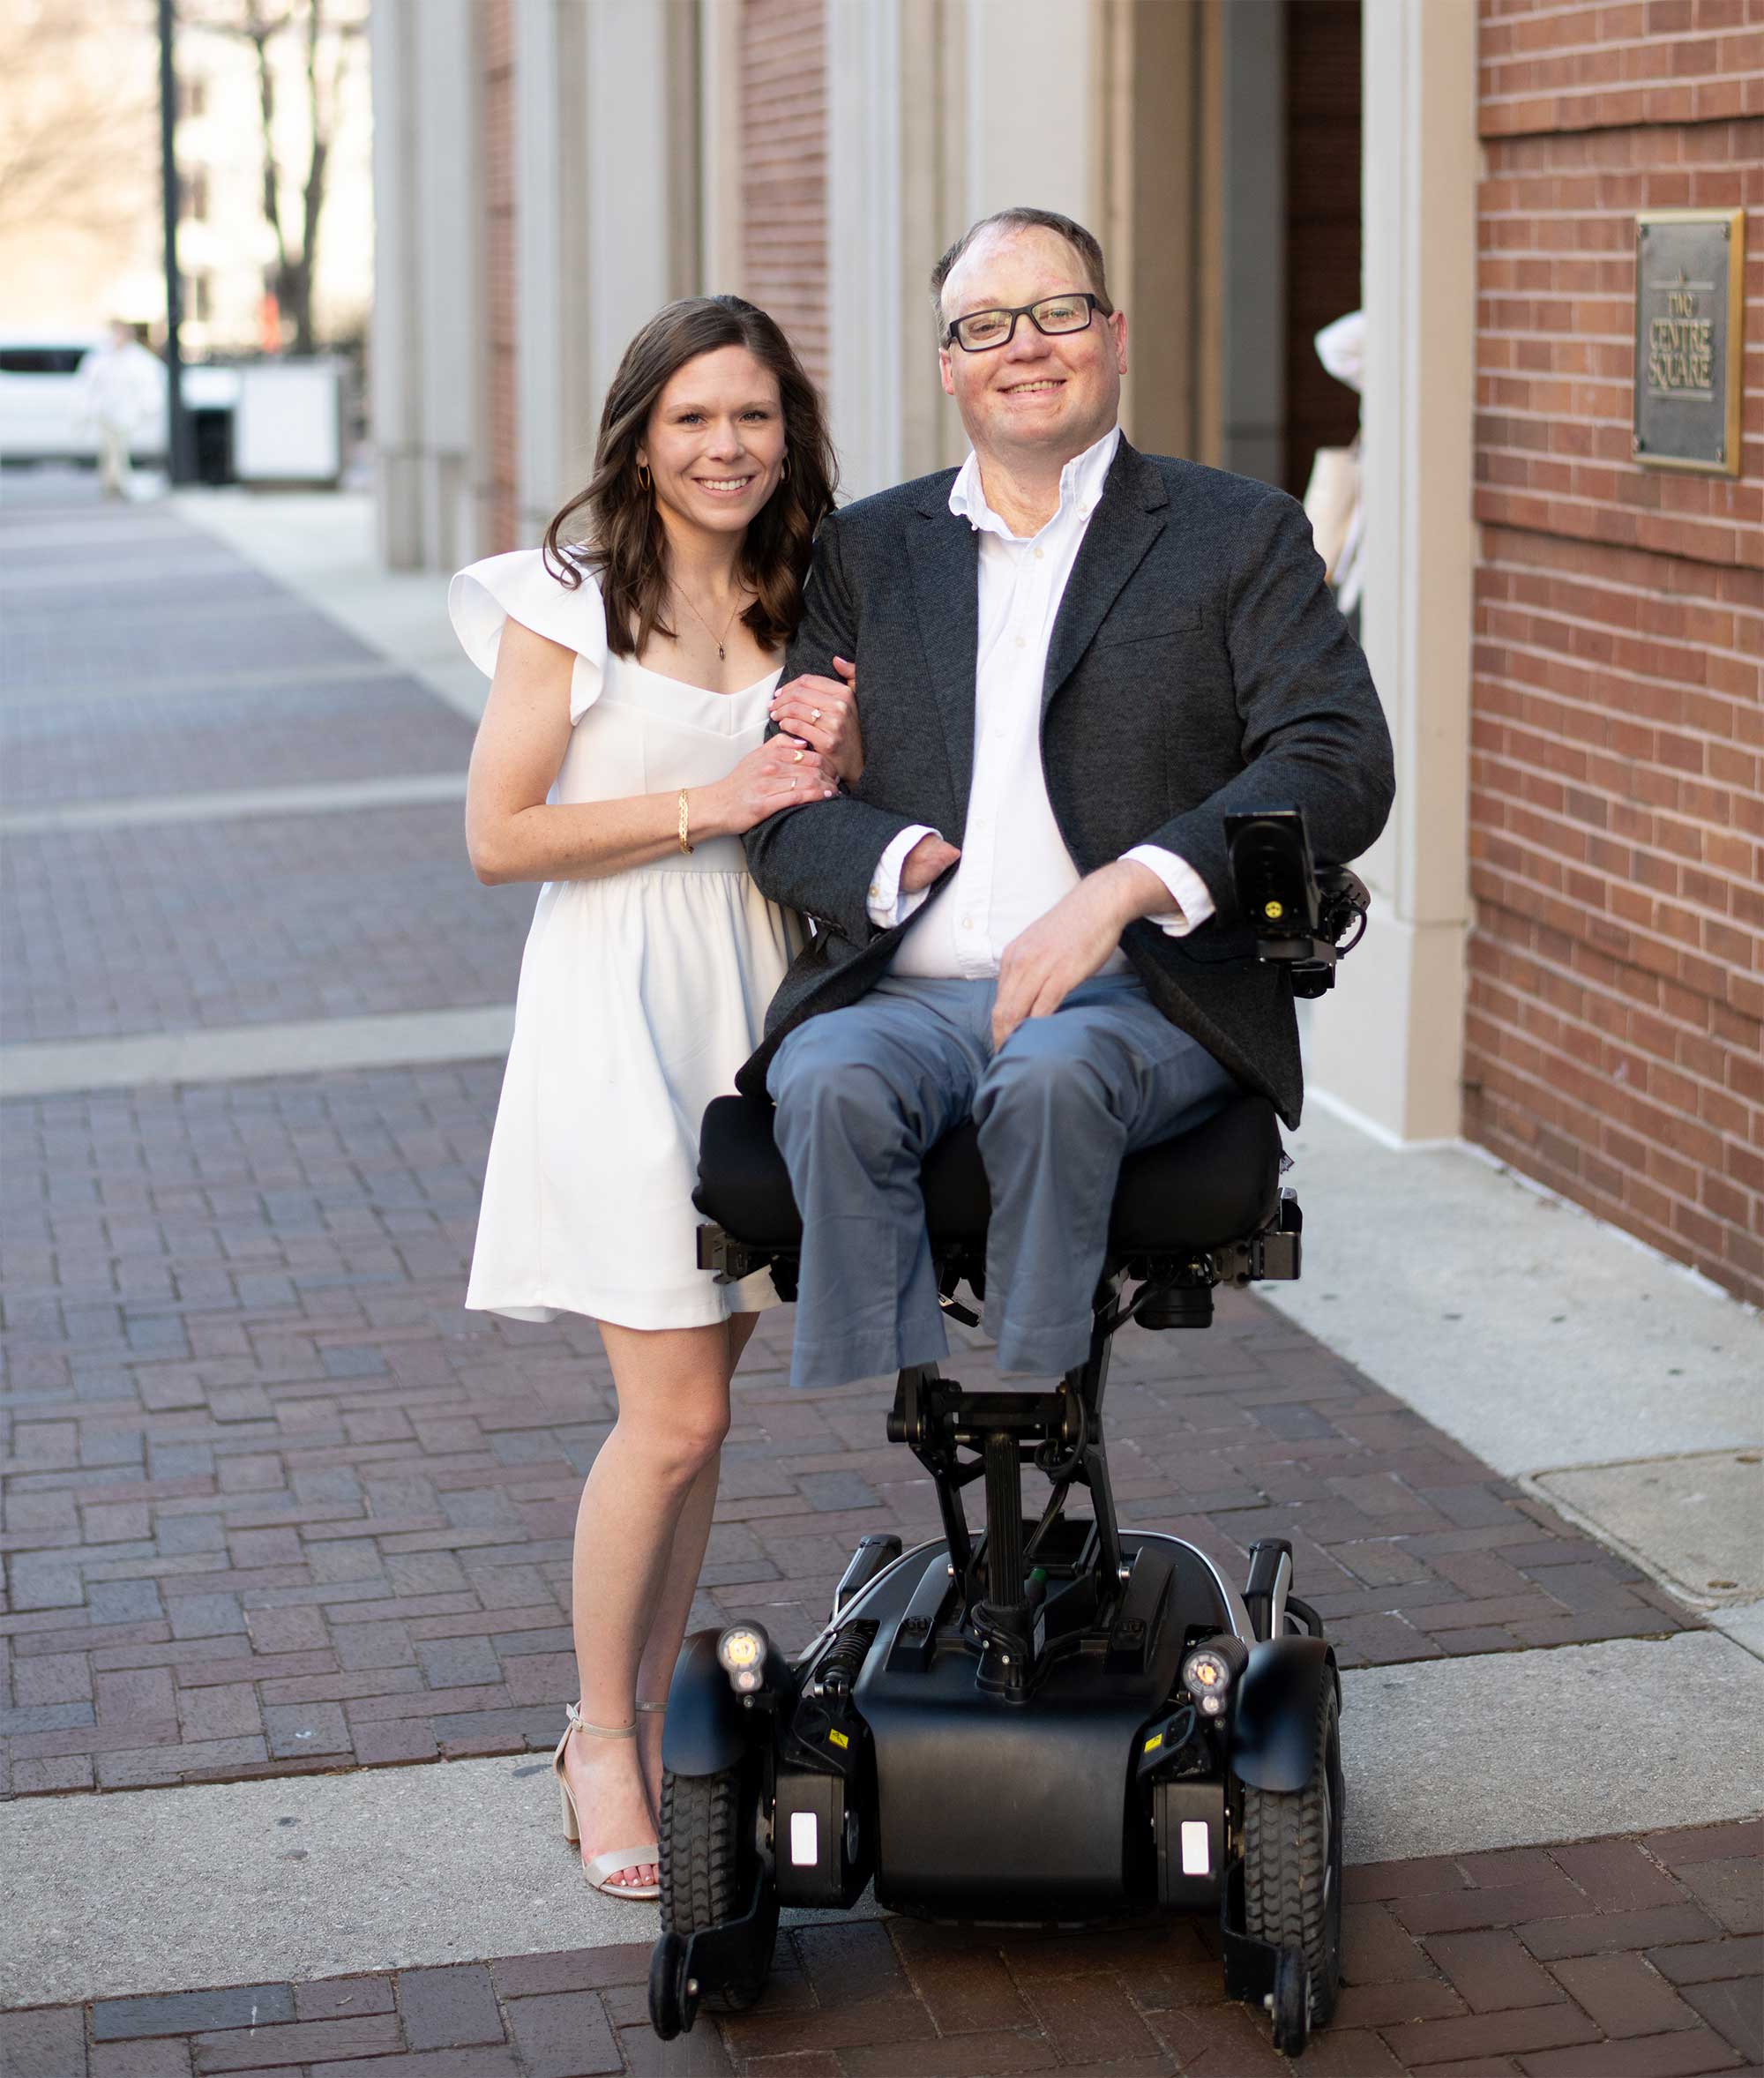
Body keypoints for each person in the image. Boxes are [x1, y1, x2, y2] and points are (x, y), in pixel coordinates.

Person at [739, 207, 1394, 1394]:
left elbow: (1339, 757)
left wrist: (1123, 889)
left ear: (1115, 335)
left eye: (1058, 312)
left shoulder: (1234, 534)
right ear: (949, 367)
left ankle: (1028, 1393)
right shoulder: (870, 551)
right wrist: (891, 860)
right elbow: (784, 803)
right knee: (826, 1076)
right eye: (984, 325)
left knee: (1052, 1078)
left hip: (1145, 995)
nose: (1024, 346)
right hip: (915, 992)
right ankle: (926, 1411)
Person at [450, 295, 851, 1899]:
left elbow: (821, 794)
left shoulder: (804, 589)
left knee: (702, 1415)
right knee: (671, 1413)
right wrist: (716, 797)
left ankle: (645, 1717)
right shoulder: (568, 599)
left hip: (765, 998)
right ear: (640, 431)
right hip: (620, 1002)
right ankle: (596, 1741)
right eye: (693, 418)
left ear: (786, 429)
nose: (725, 446)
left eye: (750, 417)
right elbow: (499, 836)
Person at [73, 321, 164, 499]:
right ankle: (112, 483)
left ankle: (117, 483)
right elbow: (89, 384)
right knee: (110, 449)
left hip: (127, 412)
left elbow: (147, 384)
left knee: (119, 449)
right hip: (106, 412)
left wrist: (147, 408)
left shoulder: (136, 358)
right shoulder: (102, 356)